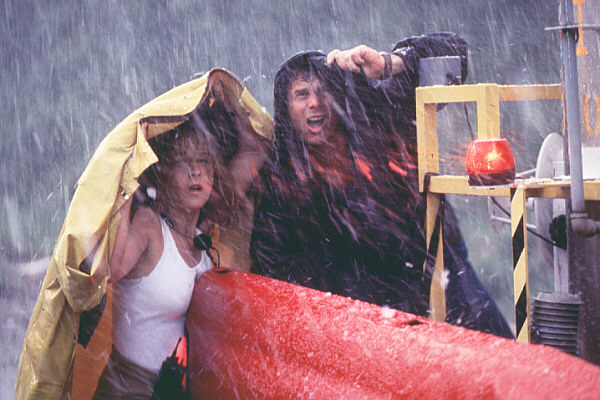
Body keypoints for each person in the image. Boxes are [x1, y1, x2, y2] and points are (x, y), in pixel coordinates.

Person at [250, 33, 514, 338]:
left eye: (323, 90)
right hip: (363, 303)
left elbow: (456, 53)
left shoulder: (373, 110)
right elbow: (277, 264)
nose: (315, 103)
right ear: (285, 106)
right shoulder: (281, 177)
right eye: (301, 94)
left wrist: (389, 63)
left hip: (437, 259)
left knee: (495, 350)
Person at [92, 80, 268, 398]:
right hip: (127, 388)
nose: (195, 172)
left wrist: (228, 98)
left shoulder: (202, 235)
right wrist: (131, 174)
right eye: (183, 162)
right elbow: (113, 269)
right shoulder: (149, 225)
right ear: (165, 173)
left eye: (203, 162)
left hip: (173, 389)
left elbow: (256, 151)